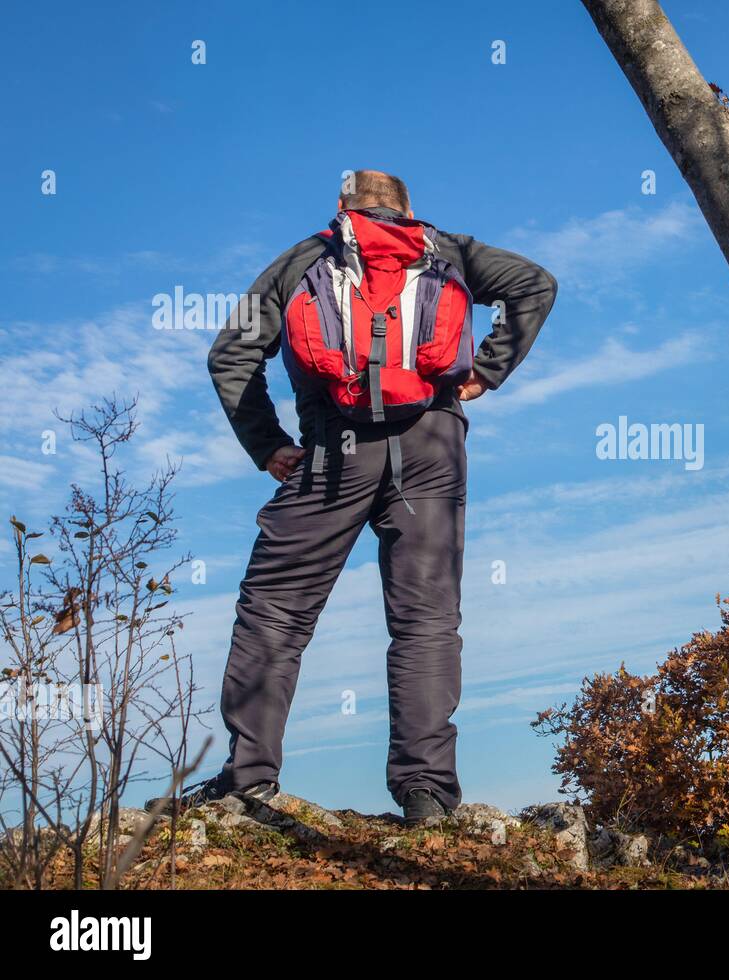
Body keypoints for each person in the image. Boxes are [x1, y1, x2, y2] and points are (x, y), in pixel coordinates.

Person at [191, 170, 557, 826]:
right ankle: (426, 796)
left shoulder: (304, 258)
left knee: (275, 611)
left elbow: (231, 353)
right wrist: (487, 372)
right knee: (425, 621)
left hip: (333, 453)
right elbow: (536, 284)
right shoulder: (449, 249)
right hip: (433, 447)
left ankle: (247, 781)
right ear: (409, 209)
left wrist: (268, 445)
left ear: (341, 208)